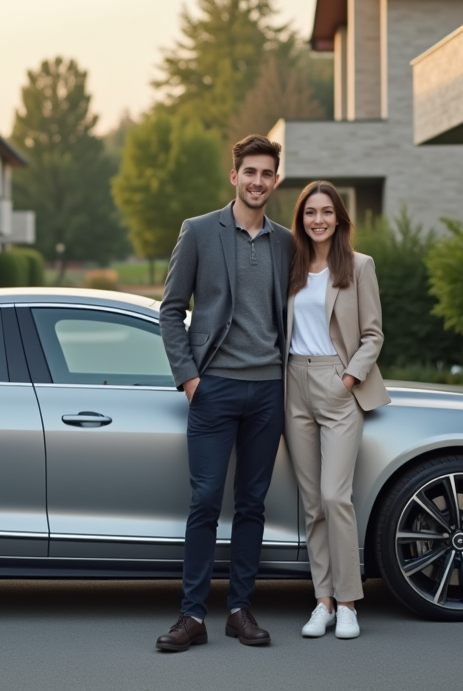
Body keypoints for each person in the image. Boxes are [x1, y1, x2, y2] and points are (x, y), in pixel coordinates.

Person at [155, 134, 293, 652]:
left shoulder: (285, 241)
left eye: (267, 174)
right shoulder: (198, 232)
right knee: (205, 501)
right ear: (233, 176)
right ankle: (191, 616)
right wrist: (191, 379)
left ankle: (239, 609)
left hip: (267, 394)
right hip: (213, 390)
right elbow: (170, 309)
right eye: (249, 172)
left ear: (275, 182)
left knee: (252, 503)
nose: (258, 181)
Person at [284, 181, 389, 640]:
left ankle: (348, 603)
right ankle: (322, 601)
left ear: (339, 218)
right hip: (293, 384)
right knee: (311, 505)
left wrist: (348, 379)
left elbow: (373, 334)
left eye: (326, 212)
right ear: (301, 219)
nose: (318, 220)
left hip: (337, 381)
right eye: (310, 213)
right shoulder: (290, 265)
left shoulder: (359, 266)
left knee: (334, 497)